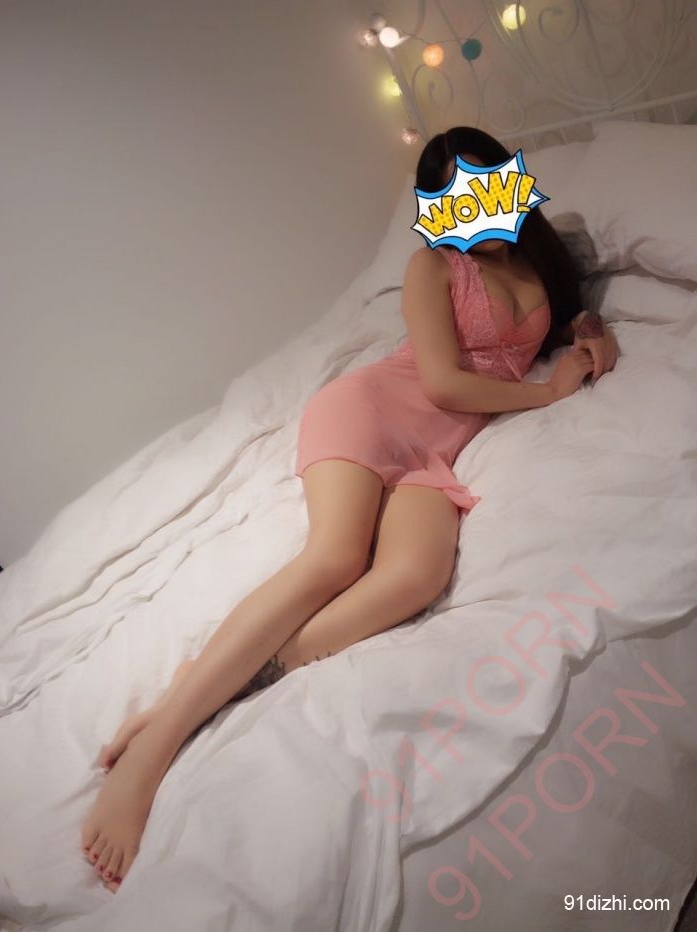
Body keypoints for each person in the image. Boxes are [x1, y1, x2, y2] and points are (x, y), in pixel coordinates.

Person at [80, 126, 619, 891]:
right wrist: (547, 393)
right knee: (335, 559)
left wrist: (592, 333)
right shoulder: (433, 265)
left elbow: (569, 320)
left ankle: (218, 679)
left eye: (484, 185)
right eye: (455, 196)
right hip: (375, 409)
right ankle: (153, 752)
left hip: (437, 451)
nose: (474, 208)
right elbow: (441, 382)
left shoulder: (543, 258)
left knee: (415, 577)